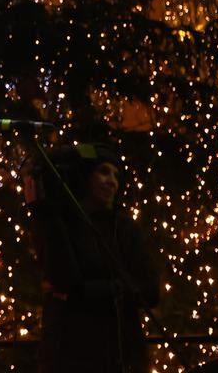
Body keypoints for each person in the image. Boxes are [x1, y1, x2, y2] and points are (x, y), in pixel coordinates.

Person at [29, 142, 162, 373]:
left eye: (116, 176)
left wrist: (95, 290)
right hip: (73, 353)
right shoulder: (64, 224)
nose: (112, 181)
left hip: (122, 352)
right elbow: (66, 281)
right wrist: (116, 289)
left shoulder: (124, 228)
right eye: (103, 172)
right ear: (85, 179)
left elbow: (150, 289)